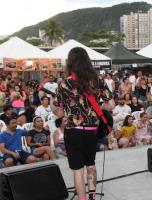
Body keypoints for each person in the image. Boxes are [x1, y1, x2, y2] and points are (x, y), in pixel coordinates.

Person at [52, 47, 113, 200]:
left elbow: (58, 112)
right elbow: (111, 105)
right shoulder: (97, 81)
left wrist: (54, 106)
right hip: (91, 131)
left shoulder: (64, 84)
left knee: (77, 170)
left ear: (70, 62)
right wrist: (97, 106)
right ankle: (92, 196)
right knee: (90, 165)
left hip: (73, 131)